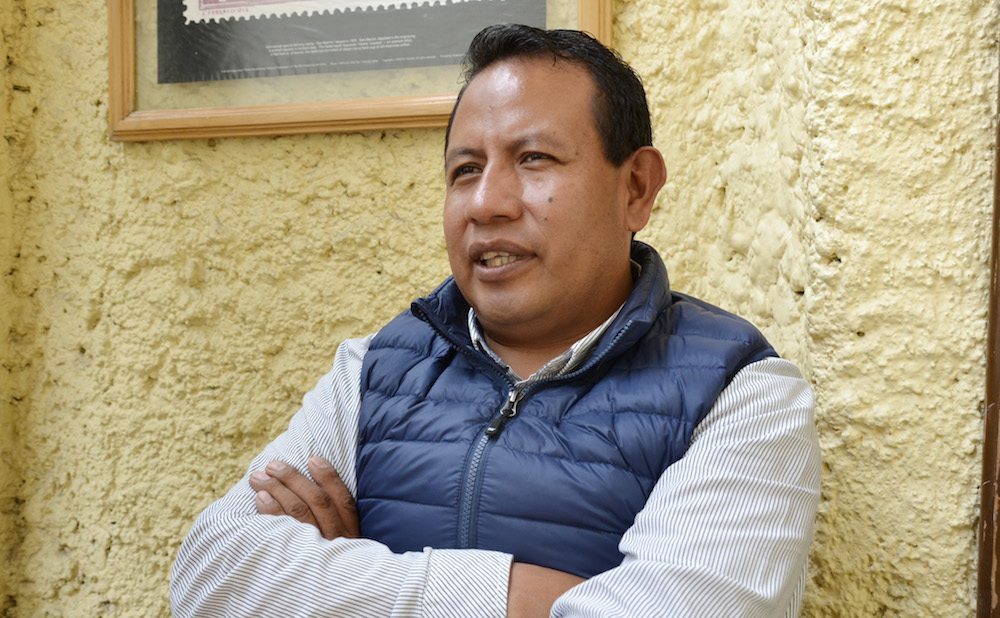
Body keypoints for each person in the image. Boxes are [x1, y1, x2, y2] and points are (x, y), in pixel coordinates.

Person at [170, 24, 820, 617]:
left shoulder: (741, 392)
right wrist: (515, 595)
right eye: (466, 170)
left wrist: (341, 580)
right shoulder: (374, 370)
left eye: (533, 159)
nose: (487, 203)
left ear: (636, 188)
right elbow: (210, 575)